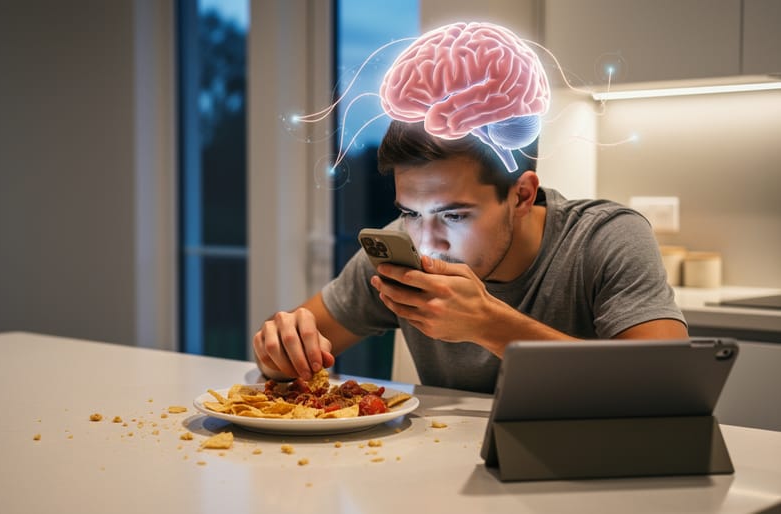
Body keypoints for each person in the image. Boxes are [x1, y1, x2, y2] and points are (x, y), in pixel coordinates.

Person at [252, 120, 688, 393]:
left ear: (521, 195)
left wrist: (489, 324)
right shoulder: (398, 249)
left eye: (454, 215)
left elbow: (669, 385)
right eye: (410, 213)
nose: (426, 243)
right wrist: (281, 347)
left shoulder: (604, 238)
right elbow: (287, 353)